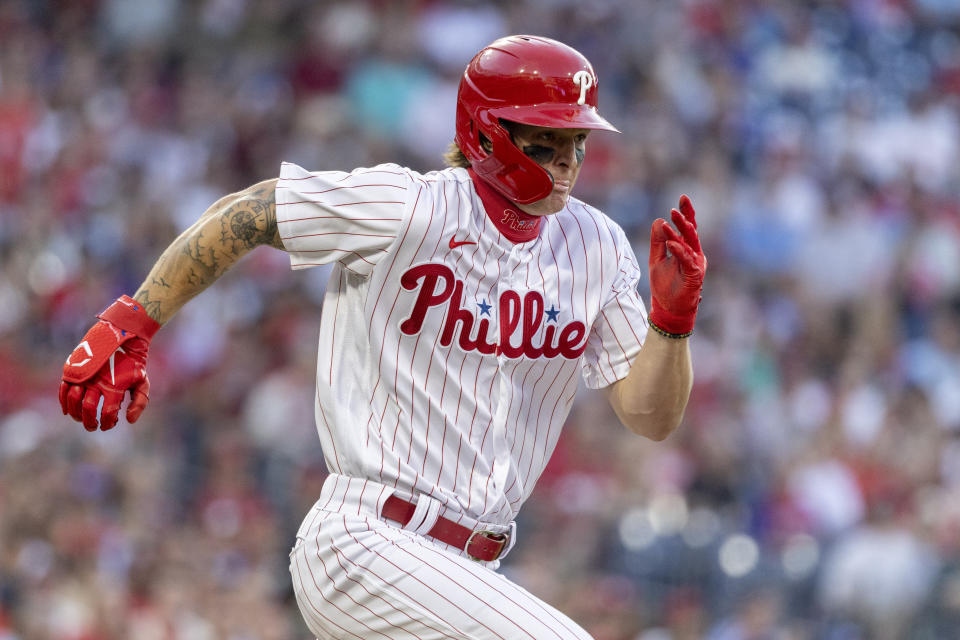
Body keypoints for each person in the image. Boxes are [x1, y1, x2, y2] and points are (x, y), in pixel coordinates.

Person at [59, 35, 706, 639]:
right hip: (365, 540)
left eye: (576, 143)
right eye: (546, 141)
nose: (566, 163)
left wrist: (670, 326)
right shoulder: (411, 206)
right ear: (487, 132)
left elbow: (650, 416)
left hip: (470, 570)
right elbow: (253, 211)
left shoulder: (596, 246)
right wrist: (133, 321)